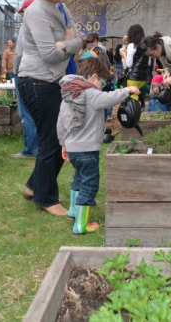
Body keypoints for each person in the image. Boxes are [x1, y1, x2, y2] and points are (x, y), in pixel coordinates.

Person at [17, 0, 81, 216]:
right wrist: (66, 45)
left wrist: (66, 45)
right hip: (35, 82)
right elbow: (49, 55)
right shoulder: (36, 11)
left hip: (52, 81)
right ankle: (46, 198)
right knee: (52, 140)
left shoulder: (62, 9)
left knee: (57, 137)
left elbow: (79, 40)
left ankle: (34, 187)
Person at [57, 58, 140, 234]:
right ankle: (81, 225)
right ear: (94, 77)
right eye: (102, 82)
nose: (102, 87)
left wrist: (63, 143)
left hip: (72, 147)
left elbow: (60, 122)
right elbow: (108, 99)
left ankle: (73, 211)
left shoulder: (69, 94)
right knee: (90, 184)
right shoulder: (90, 92)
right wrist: (127, 90)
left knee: (78, 179)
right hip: (87, 149)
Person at [11, 0, 39, 159]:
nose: (22, 15)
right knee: (37, 112)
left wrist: (15, 71)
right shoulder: (44, 25)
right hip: (40, 73)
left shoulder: (25, 27)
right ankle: (39, 147)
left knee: (25, 112)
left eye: (23, 12)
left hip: (24, 72)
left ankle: (30, 150)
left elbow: (19, 52)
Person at [125, 24, 152, 101]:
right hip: (143, 79)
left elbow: (129, 64)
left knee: (133, 101)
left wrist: (124, 55)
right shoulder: (147, 46)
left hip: (133, 79)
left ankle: (135, 113)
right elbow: (149, 63)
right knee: (141, 100)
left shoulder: (131, 46)